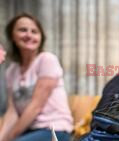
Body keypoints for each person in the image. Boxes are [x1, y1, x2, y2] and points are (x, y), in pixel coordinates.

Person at [0, 13, 73, 141]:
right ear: (12, 36)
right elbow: (12, 111)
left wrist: (11, 137)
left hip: (54, 129)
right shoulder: (11, 71)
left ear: (40, 37)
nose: (29, 35)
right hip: (29, 130)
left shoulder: (47, 60)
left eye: (34, 31)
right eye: (23, 30)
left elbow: (35, 106)